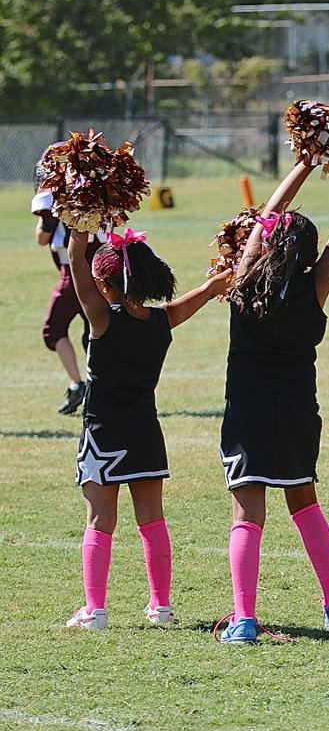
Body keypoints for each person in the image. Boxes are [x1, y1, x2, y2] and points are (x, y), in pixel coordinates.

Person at [217, 163, 329, 643]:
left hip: (248, 412)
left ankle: (243, 620)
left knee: (247, 514)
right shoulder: (314, 285)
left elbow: (269, 212)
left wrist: (305, 161)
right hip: (299, 409)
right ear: (306, 254)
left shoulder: (244, 280)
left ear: (267, 242)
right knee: (305, 502)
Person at [65, 227, 232, 629]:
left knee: (99, 521)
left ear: (104, 284)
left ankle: (95, 610)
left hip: (104, 435)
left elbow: (75, 262)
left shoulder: (101, 320)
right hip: (144, 432)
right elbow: (203, 294)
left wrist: (79, 225)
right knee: (152, 520)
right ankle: (160, 607)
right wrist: (218, 280)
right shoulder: (161, 321)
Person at [32, 181, 99, 414]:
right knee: (96, 330)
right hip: (101, 270)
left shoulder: (54, 195)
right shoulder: (96, 189)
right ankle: (99, 385)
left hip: (73, 274)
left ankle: (77, 385)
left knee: (54, 329)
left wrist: (48, 220)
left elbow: (42, 238)